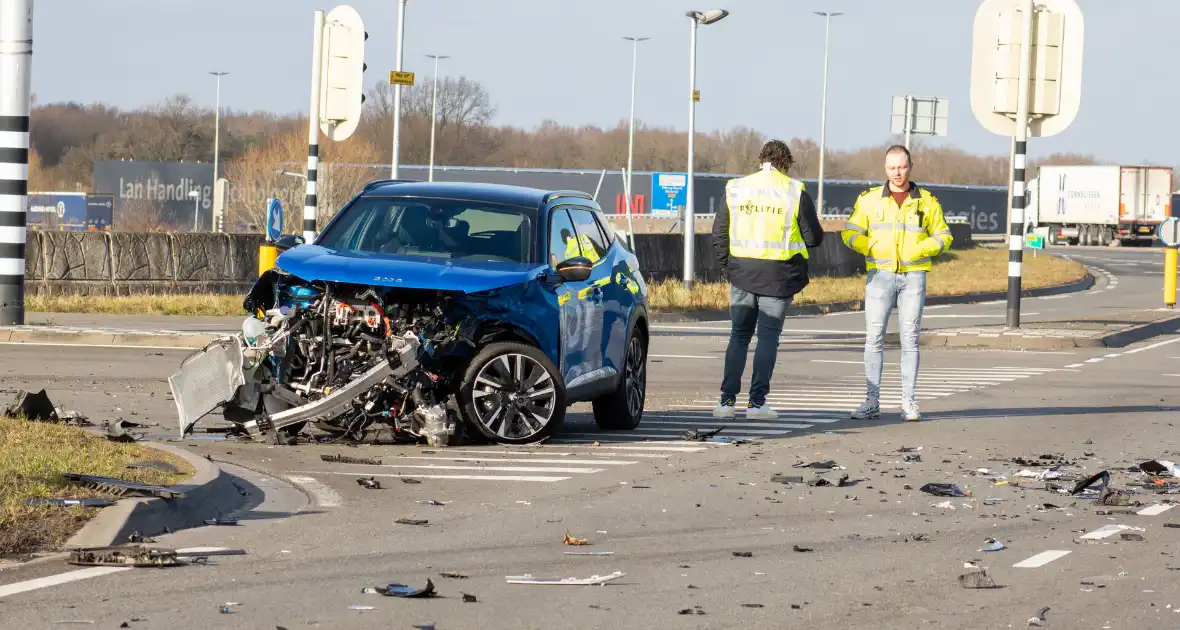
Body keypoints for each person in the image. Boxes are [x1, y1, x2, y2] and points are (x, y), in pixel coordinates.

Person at [711, 139, 824, 420]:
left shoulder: (736, 188)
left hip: (741, 273)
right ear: (786, 163)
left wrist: (729, 267)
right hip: (778, 276)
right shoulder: (794, 191)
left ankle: (726, 403)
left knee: (738, 336)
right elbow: (814, 237)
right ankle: (757, 404)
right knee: (767, 338)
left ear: (760, 160)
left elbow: (718, 233)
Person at [841, 145, 953, 422]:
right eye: (892, 167)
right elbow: (849, 232)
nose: (897, 173)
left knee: (910, 339)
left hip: (914, 277)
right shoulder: (869, 200)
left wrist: (921, 248)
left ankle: (909, 402)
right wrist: (870, 246)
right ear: (885, 168)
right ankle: (871, 402)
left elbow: (944, 235)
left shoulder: (926, 201)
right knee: (874, 338)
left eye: (901, 167)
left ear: (910, 166)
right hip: (879, 275)